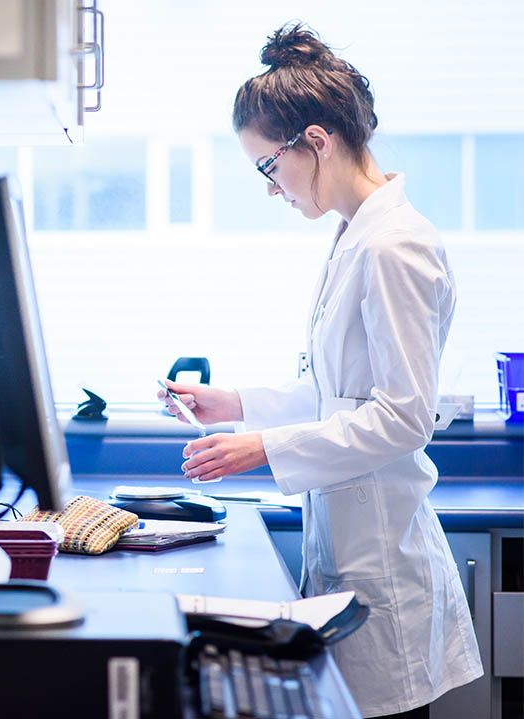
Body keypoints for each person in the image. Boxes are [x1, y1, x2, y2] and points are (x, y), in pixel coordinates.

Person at [157, 23, 483, 719]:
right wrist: (233, 403)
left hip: (387, 573)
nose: (271, 189)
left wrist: (264, 447)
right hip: (352, 557)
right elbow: (337, 396)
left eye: (268, 167)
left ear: (315, 142)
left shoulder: (395, 246)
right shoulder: (354, 234)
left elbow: (401, 416)